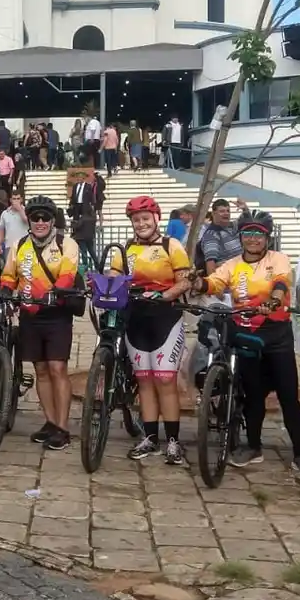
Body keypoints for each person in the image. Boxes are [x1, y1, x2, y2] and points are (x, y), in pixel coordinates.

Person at [202, 210, 300, 477]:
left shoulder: (279, 259)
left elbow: (281, 283)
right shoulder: (232, 265)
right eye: (247, 234)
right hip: (246, 333)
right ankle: (253, 447)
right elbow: (214, 282)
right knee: (253, 395)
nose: (252, 239)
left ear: (267, 238)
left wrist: (274, 301)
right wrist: (195, 283)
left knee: (289, 396)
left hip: (277, 333)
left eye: (258, 234)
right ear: (240, 236)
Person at [108, 195, 194, 464]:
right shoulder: (125, 249)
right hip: (136, 317)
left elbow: (185, 280)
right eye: (136, 220)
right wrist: (104, 286)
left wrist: (165, 295)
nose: (141, 223)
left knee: (165, 380)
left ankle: (173, 441)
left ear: (156, 219)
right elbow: (114, 276)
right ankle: (150, 438)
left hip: (165, 318)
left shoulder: (172, 245)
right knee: (144, 380)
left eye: (145, 218)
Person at [0, 195, 78, 451]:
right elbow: (9, 275)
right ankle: (51, 422)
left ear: (53, 220)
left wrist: (52, 294)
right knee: (41, 370)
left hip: (56, 313)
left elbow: (68, 273)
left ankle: (64, 428)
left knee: (57, 368)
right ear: (29, 220)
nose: (41, 222)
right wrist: (5, 292)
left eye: (46, 217)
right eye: (35, 218)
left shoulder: (67, 244)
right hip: (29, 314)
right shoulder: (20, 245)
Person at [198, 199, 241, 275]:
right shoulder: (211, 235)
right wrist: (214, 285)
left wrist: (245, 209)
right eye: (222, 211)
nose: (226, 213)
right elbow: (210, 264)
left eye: (228, 211)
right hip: (230, 279)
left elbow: (249, 224)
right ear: (214, 214)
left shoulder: (232, 226)